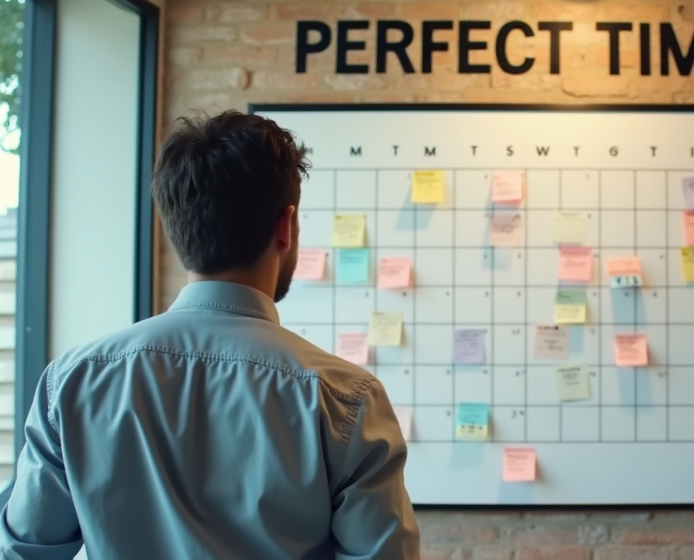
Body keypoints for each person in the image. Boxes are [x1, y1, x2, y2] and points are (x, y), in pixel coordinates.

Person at [0, 111, 420, 559]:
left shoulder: (71, 383)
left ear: (175, 225)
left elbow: (23, 553)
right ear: (286, 226)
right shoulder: (345, 399)